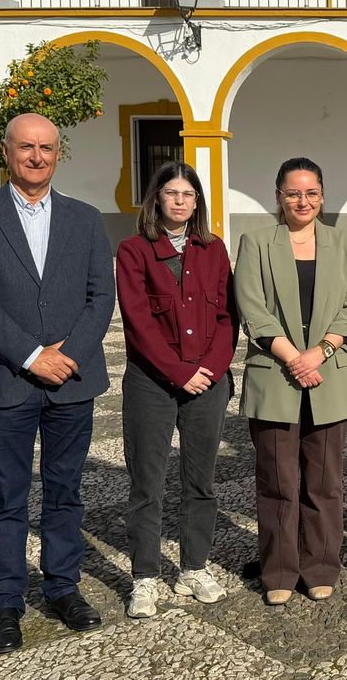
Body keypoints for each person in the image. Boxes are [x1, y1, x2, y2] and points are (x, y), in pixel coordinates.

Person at [0, 114, 115, 653]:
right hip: (6, 378)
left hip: (71, 379)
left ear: (58, 153)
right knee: (7, 496)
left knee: (66, 491)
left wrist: (65, 356)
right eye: (27, 147)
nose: (37, 156)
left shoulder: (86, 218)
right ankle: (3, 601)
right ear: (7, 150)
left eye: (46, 147)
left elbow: (100, 297)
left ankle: (62, 587)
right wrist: (30, 355)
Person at [235, 157, 347, 605]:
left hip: (328, 375)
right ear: (278, 196)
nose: (302, 201)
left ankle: (321, 564)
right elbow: (252, 307)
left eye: (311, 192)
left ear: (322, 195)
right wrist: (294, 357)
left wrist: (321, 352)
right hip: (276, 375)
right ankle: (279, 571)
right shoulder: (255, 243)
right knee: (277, 480)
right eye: (293, 193)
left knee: (324, 482)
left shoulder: (345, 243)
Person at [115, 162, 237, 618]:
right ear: (157, 199)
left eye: (189, 193)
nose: (181, 200)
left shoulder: (213, 249)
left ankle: (193, 566)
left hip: (207, 380)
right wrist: (176, 370)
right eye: (171, 192)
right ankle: (145, 575)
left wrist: (209, 369)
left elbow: (227, 318)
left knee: (200, 480)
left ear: (197, 201)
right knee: (147, 482)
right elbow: (137, 320)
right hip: (152, 381)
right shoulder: (134, 250)